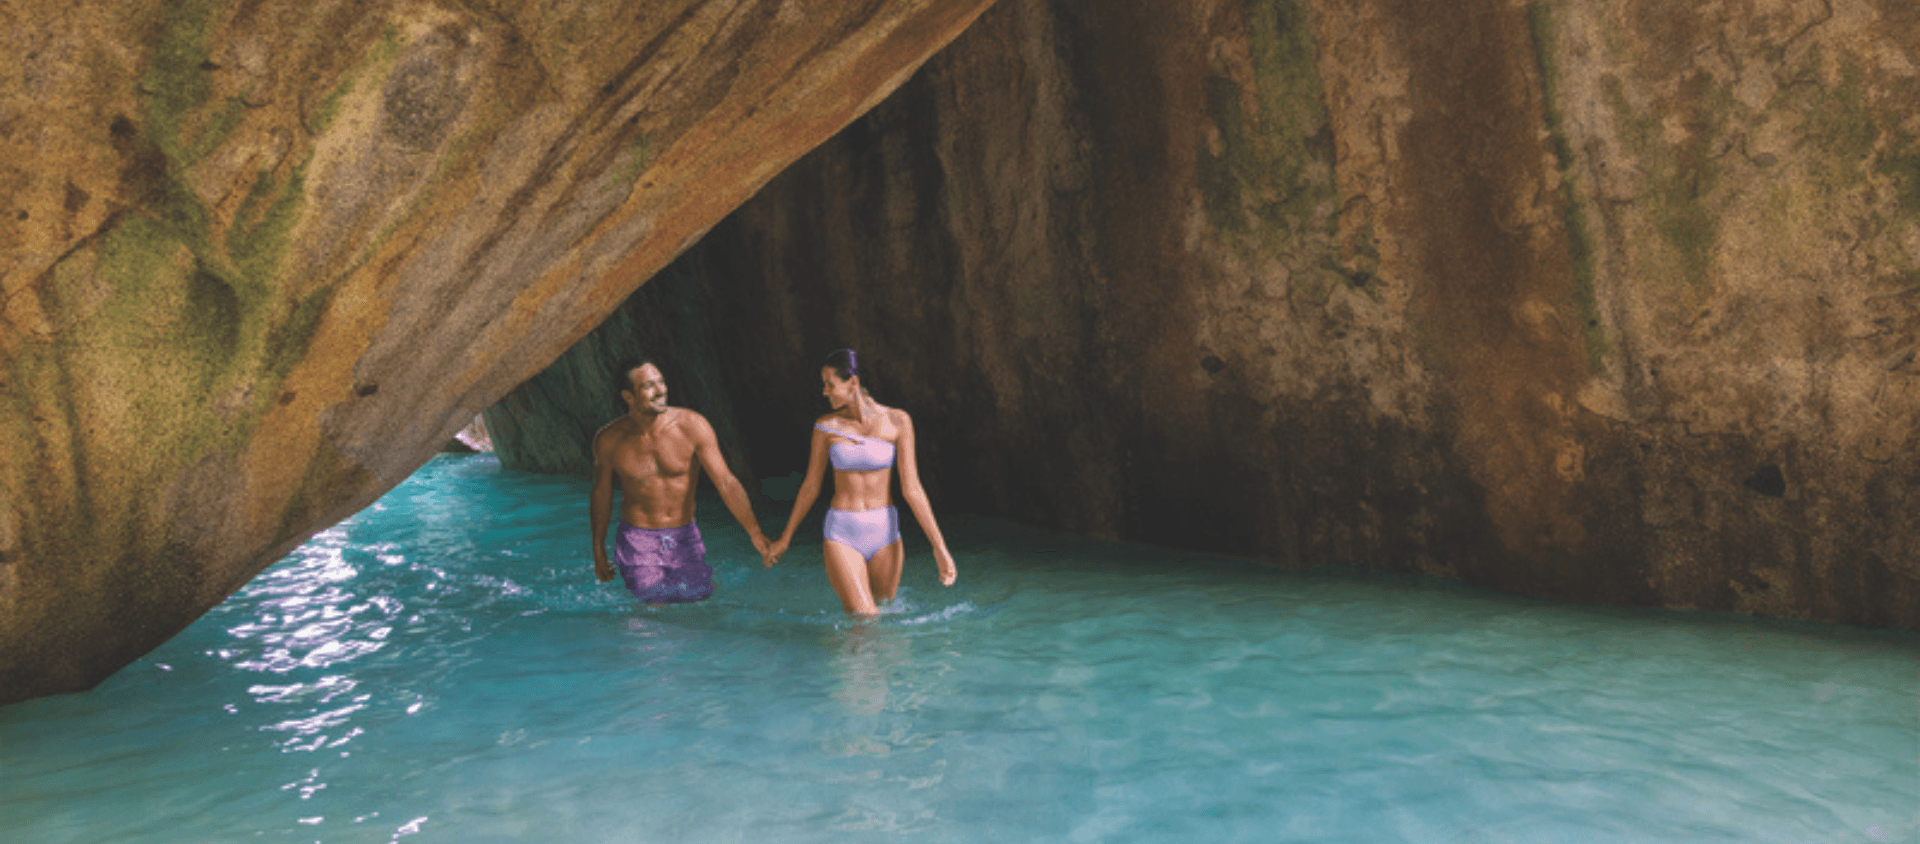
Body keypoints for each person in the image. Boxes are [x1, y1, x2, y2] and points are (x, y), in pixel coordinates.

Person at [766, 349, 957, 614]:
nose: (824, 392)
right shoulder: (825, 426)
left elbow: (912, 488)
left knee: (885, 614)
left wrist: (940, 547)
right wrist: (786, 537)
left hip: (885, 533)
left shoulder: (898, 421)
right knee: (865, 620)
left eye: (830, 384)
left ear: (853, 383)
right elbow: (811, 486)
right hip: (842, 532)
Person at [590, 359, 772, 605]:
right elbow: (602, 494)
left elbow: (726, 482)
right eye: (648, 386)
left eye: (661, 382)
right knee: (656, 605)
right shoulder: (609, 440)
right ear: (628, 397)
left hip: (685, 536)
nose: (661, 390)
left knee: (700, 603)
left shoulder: (692, 426)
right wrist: (598, 549)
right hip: (639, 540)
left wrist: (754, 532)